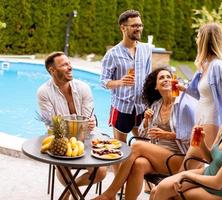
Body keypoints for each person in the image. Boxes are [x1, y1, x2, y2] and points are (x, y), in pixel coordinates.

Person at [93, 67, 196, 200]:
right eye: (161, 78)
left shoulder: (183, 105)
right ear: (155, 87)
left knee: (137, 146)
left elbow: (193, 137)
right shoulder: (156, 106)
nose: (166, 79)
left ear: (174, 81)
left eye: (168, 77)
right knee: (139, 164)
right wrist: (146, 121)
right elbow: (142, 134)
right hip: (159, 157)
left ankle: (110, 193)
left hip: (180, 159)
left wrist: (169, 135)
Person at [150, 93, 222, 200]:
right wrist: (201, 143)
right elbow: (211, 160)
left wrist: (186, 175)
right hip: (206, 176)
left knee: (167, 193)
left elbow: (217, 183)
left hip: (217, 191)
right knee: (157, 190)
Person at [37, 51, 107, 200]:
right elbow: (52, 124)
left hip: (87, 137)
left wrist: (92, 120)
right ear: (52, 70)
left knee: (101, 172)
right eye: (64, 65)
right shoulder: (44, 92)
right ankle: (77, 196)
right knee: (62, 166)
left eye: (69, 63)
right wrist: (81, 124)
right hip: (60, 139)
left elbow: (88, 117)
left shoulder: (83, 87)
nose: (70, 67)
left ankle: (68, 193)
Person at [176, 23, 222, 166]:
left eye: (198, 36)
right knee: (195, 167)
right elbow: (203, 96)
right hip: (200, 121)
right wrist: (185, 89)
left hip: (210, 122)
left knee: (187, 167)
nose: (196, 40)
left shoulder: (219, 66)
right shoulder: (205, 66)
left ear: (205, 40)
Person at [100, 9, 152, 144]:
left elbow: (148, 77)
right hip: (122, 107)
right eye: (134, 26)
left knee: (145, 144)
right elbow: (103, 81)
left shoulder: (146, 49)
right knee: (119, 147)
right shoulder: (112, 54)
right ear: (123, 28)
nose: (139, 29)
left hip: (141, 107)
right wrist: (120, 82)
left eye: (140, 25)